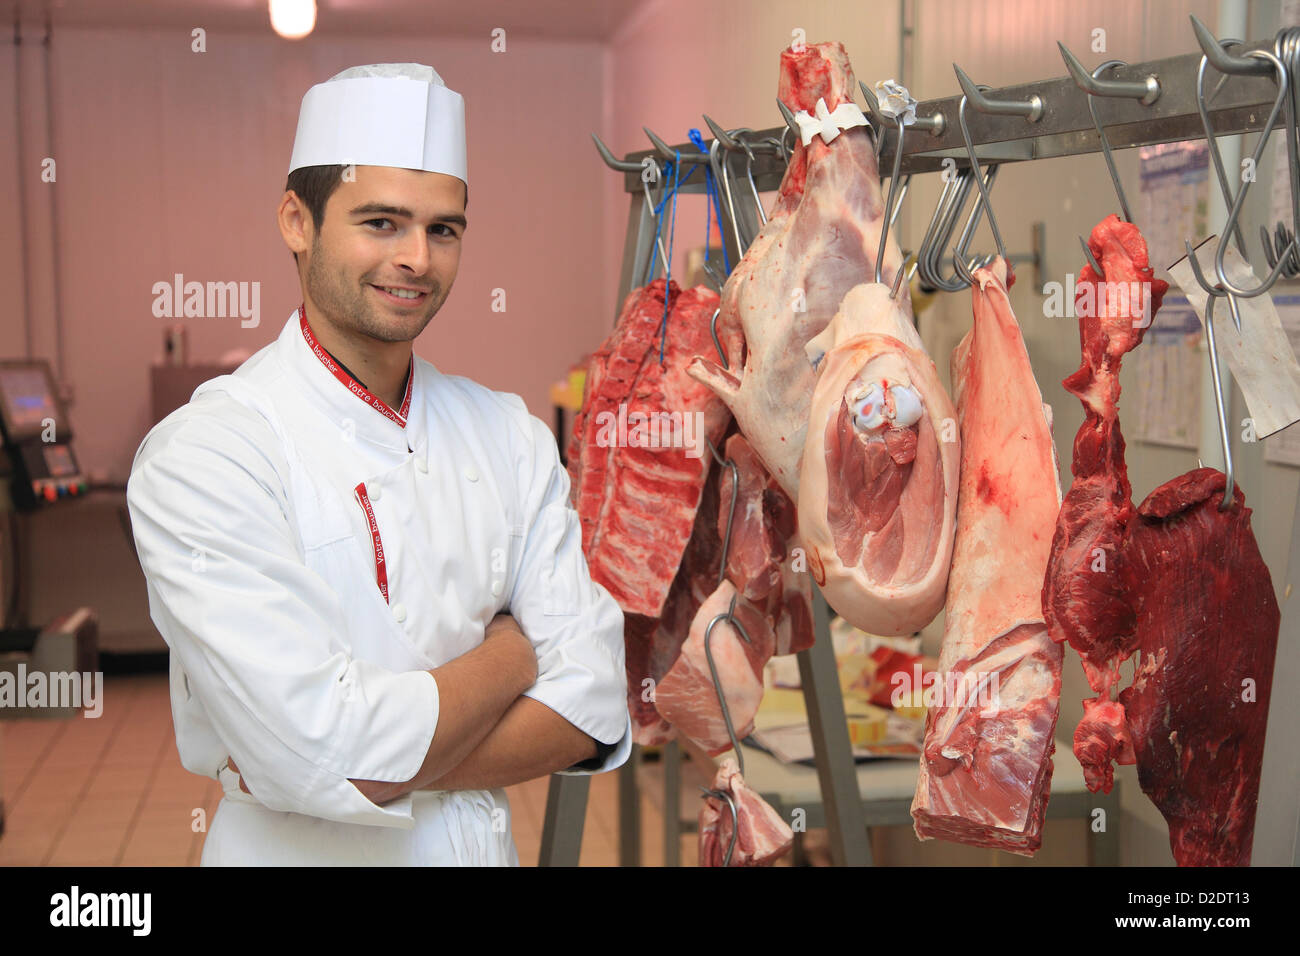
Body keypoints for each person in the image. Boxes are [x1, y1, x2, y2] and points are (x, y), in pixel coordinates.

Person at [126, 63, 631, 866]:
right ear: (297, 220)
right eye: (382, 222)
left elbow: (593, 703)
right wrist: (513, 655)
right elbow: (323, 749)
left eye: (443, 229)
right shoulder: (209, 455)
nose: (417, 260)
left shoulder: (506, 432)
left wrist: (354, 765)